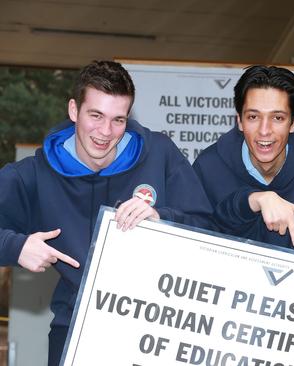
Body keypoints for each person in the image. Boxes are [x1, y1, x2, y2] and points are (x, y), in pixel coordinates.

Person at [0, 60, 214, 365]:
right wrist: (15, 247)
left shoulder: (159, 155)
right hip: (75, 331)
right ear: (74, 110)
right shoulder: (34, 175)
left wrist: (161, 218)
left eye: (118, 119)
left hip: (154, 333)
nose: (105, 131)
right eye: (96, 115)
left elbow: (205, 228)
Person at [193, 65, 294, 254]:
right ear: (239, 120)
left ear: (293, 122)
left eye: (277, 118)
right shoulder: (207, 168)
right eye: (253, 117)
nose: (264, 130)